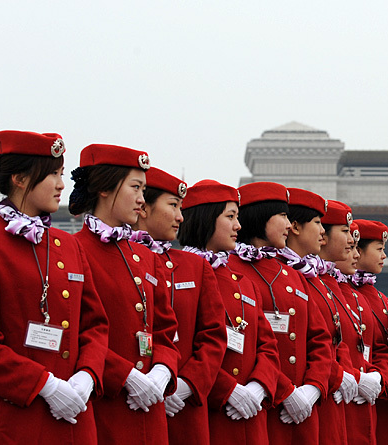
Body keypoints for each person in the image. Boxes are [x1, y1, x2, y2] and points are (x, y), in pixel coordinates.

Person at [0, 131, 108, 444]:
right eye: (52, 175)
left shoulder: (69, 246)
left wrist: (87, 375)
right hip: (19, 421)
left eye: (61, 174)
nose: (61, 184)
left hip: (75, 420)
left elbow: (95, 325)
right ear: (19, 178)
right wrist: (46, 386)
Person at [70, 144, 180, 445]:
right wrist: (124, 375)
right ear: (105, 188)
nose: (142, 200)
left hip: (150, 409)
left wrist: (162, 370)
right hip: (105, 404)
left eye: (144, 189)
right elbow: (78, 331)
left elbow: (166, 330)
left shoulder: (144, 256)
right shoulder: (73, 250)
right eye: (136, 187)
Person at [178, 179, 281, 445]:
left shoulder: (242, 281)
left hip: (251, 415)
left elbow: (267, 345)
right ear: (206, 218)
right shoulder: (177, 273)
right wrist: (228, 390)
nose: (238, 226)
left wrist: (258, 387)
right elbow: (185, 347)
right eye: (230, 217)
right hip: (208, 411)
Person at [133, 168, 228, 445]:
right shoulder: (123, 258)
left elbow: (213, 335)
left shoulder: (194, 266)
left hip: (185, 406)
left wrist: (186, 385)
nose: (180, 217)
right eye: (173, 205)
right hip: (132, 397)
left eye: (181, 207)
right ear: (144, 208)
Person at [233, 182, 332, 445]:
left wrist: (312, 389)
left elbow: (320, 340)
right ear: (261, 216)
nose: (289, 225)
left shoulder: (293, 275)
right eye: (283, 216)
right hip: (258, 404)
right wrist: (285, 390)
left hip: (301, 411)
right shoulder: (231, 269)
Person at [292, 197, 356, 445]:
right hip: (304, 397)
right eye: (345, 232)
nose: (351, 241)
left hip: (327, 394)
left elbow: (334, 340)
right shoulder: (301, 278)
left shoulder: (321, 281)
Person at [328, 213, 388, 445]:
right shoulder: (333, 291)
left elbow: (380, 348)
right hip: (340, 395)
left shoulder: (367, 297)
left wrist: (381, 376)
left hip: (369, 397)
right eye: (379, 248)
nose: (353, 254)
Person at [352, 219, 388, 445]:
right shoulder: (346, 293)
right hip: (367, 395)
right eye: (379, 249)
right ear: (358, 250)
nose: (384, 255)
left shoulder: (380, 298)